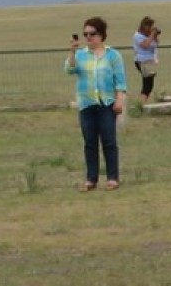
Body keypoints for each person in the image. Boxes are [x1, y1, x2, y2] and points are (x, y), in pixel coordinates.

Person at [65, 16, 127, 190]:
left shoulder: (113, 55)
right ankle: (91, 179)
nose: (89, 37)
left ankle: (112, 177)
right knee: (89, 142)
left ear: (101, 35)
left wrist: (119, 101)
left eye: (92, 34)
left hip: (106, 103)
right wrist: (72, 52)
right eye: (86, 34)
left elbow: (120, 81)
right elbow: (69, 69)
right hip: (87, 104)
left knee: (109, 140)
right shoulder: (81, 55)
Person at [131, 16, 160, 107]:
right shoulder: (137, 36)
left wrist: (154, 36)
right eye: (149, 26)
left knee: (149, 84)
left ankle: (141, 103)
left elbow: (155, 44)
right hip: (142, 61)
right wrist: (152, 34)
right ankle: (139, 104)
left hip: (149, 61)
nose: (151, 28)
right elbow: (146, 45)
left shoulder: (147, 35)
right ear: (144, 26)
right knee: (147, 84)